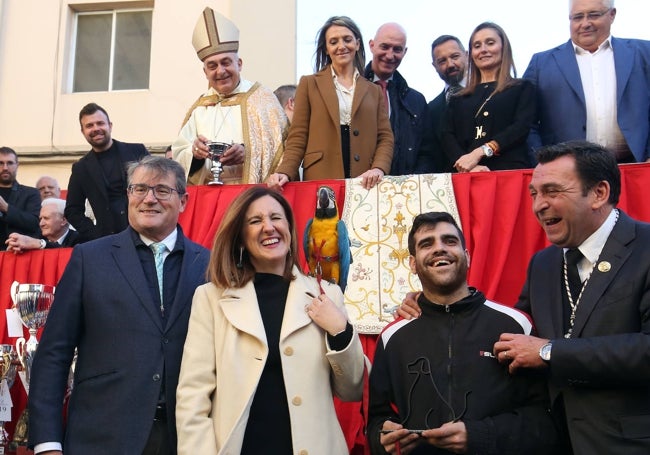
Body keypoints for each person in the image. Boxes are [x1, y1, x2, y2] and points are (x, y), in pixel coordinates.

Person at [28, 156, 210, 454]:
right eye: (139, 189)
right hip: (102, 437)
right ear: (128, 196)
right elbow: (53, 353)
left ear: (184, 202)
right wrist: (47, 442)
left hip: (186, 440)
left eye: (162, 190)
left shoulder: (210, 265)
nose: (149, 199)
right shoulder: (89, 260)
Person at [176, 186, 365, 455]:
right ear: (240, 238)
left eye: (276, 218)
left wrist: (341, 331)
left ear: (290, 228)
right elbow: (193, 398)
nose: (269, 227)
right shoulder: (210, 298)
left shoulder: (328, 294)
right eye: (255, 221)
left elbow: (353, 389)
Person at [491, 141, 650, 453]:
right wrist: (438, 305)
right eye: (534, 194)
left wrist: (551, 352)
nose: (539, 205)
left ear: (599, 193)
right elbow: (517, 333)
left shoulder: (646, 248)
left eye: (552, 191)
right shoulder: (543, 264)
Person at [368, 212, 559, 455]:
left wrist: (481, 436)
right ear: (413, 264)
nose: (439, 249)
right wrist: (381, 438)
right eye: (427, 244)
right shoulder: (393, 337)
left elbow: (545, 420)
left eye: (449, 241)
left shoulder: (515, 325)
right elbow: (376, 419)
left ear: (467, 257)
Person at [267, 16, 393, 191]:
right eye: (333, 42)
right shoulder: (309, 84)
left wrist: (378, 168)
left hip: (365, 181)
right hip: (321, 178)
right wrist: (285, 171)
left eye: (347, 40)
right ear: (326, 49)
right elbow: (298, 136)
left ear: (357, 44)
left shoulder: (374, 90)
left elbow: (385, 137)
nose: (341, 46)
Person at [173, 7, 288, 186]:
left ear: (239, 64)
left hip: (251, 195)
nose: (220, 71)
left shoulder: (262, 99)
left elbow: (282, 150)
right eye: (212, 66)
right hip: (208, 196)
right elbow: (178, 156)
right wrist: (194, 153)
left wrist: (247, 153)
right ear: (205, 72)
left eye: (226, 62)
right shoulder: (200, 108)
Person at [524, 0, 650, 163]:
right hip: (568, 176)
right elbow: (526, 122)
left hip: (637, 168)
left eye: (594, 15)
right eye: (577, 17)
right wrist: (543, 162)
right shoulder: (541, 64)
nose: (585, 24)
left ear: (612, 15)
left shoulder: (643, 53)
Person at [442, 22, 535, 172]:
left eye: (490, 43)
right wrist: (467, 164)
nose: (483, 50)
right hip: (466, 175)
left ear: (503, 47)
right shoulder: (458, 98)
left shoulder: (521, 88)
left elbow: (520, 127)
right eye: (477, 46)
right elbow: (447, 136)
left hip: (509, 172)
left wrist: (481, 152)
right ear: (471, 53)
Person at [65, 103, 149, 242]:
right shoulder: (81, 168)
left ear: (110, 125)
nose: (96, 129)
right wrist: (96, 235)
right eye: (89, 125)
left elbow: (158, 184)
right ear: (82, 131)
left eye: (100, 123)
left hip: (145, 233)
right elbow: (72, 210)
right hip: (109, 242)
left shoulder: (137, 151)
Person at [364, 22, 427, 176]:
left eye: (397, 49)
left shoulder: (416, 101)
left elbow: (427, 151)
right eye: (384, 47)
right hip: (360, 187)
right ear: (371, 45)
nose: (390, 55)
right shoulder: (350, 92)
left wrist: (414, 182)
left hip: (406, 191)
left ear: (404, 52)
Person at [417, 35, 469, 173]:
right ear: (434, 66)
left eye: (455, 56)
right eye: (442, 61)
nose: (450, 64)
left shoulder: (489, 93)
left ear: (467, 55)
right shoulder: (431, 109)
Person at [0, 146, 40, 250]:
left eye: (9, 163)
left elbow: (34, 224)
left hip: (18, 255)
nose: (5, 167)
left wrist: (6, 208)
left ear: (17, 165)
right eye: (1, 163)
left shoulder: (31, 193)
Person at [5, 198, 80, 252]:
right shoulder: (35, 238)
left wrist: (40, 244)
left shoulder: (80, 240)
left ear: (63, 220)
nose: (41, 224)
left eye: (46, 218)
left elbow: (65, 252)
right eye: (40, 219)